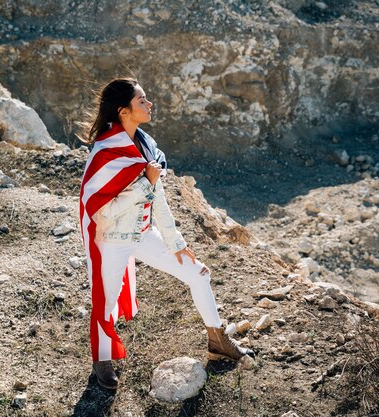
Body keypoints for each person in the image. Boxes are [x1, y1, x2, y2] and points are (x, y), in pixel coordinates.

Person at [78, 77, 253, 390]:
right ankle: (102, 361)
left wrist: (176, 243)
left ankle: (217, 341)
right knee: (105, 302)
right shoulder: (105, 154)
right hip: (112, 239)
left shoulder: (146, 147)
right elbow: (101, 211)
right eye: (142, 101)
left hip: (144, 233)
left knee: (199, 273)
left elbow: (157, 199)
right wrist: (146, 181)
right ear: (123, 111)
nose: (149, 104)